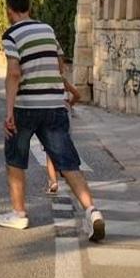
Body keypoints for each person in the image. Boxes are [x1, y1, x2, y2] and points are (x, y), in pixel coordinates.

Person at [0, 0, 105, 242]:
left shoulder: (11, 35)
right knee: (68, 162)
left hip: (27, 106)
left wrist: (9, 111)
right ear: (29, 7)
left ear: (9, 9)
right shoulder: (47, 30)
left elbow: (13, 73)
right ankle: (92, 210)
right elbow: (59, 64)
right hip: (55, 105)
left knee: (16, 158)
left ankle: (19, 213)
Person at [46, 57, 82, 194]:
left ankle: (53, 182)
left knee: (49, 150)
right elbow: (77, 95)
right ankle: (72, 176)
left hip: (49, 111)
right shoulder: (62, 81)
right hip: (64, 111)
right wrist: (69, 105)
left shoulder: (43, 81)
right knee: (66, 143)